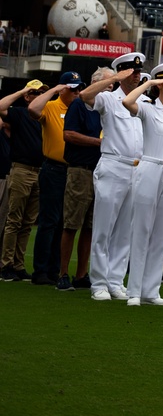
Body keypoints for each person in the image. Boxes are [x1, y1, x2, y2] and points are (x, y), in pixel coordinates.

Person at [80, 53, 147, 300]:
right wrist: (115, 78)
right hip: (113, 165)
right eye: (132, 72)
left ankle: (115, 281)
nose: (137, 76)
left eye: (139, 73)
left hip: (137, 168)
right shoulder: (108, 98)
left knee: (125, 230)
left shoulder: (143, 101)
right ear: (122, 73)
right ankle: (98, 282)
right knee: (104, 227)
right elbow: (85, 96)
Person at [122, 58, 163, 307]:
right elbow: (127, 102)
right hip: (151, 167)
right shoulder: (148, 106)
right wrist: (150, 82)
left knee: (161, 234)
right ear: (160, 83)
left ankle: (151, 289)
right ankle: (134, 290)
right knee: (142, 229)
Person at [26, 73, 84, 284]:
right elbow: (33, 109)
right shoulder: (51, 106)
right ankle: (40, 270)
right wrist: (53, 90)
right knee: (49, 221)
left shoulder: (78, 110)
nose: (77, 93)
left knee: (63, 222)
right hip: (53, 169)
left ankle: (54, 269)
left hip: (73, 171)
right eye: (73, 89)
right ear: (63, 90)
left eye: (79, 90)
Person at [59, 82, 103, 291]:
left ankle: (81, 274)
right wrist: (98, 142)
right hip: (81, 170)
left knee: (90, 226)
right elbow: (68, 134)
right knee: (72, 223)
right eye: (107, 86)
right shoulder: (78, 105)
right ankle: (63, 274)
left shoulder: (106, 107)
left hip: (101, 171)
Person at [0, 81, 45, 281]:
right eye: (35, 93)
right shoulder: (19, 113)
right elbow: (1, 106)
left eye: (41, 92)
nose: (39, 96)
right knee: (14, 219)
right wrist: (21, 91)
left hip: (39, 171)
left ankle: (18, 264)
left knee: (27, 222)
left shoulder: (44, 115)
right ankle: (6, 264)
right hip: (21, 170)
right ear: (28, 96)